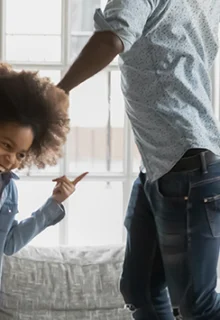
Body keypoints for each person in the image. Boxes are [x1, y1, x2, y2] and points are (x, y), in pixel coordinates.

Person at [57, 1, 220, 319]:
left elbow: (112, 37)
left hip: (187, 168)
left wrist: (60, 90)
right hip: (158, 168)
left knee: (196, 306)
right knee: (140, 290)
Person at [0, 63, 87, 287]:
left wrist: (55, 202)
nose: (11, 159)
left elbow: (8, 244)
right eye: (6, 145)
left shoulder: (8, 189)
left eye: (21, 154)